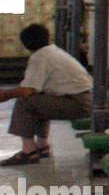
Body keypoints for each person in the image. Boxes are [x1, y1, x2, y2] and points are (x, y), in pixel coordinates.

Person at [1, 23, 93, 164]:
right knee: (39, 100)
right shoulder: (53, 51)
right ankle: (42, 146)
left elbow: (27, 90)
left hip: (77, 103)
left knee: (25, 101)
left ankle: (28, 152)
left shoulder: (40, 56)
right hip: (84, 101)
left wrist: (5, 94)